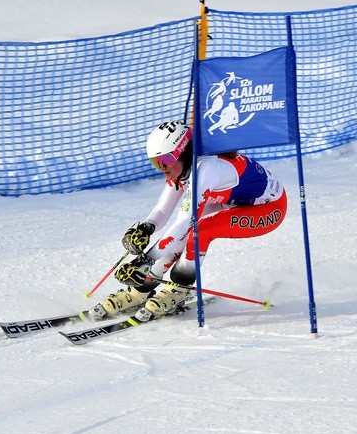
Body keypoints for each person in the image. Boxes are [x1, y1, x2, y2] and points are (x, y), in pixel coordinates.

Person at [91, 120, 287, 322]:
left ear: (183, 153)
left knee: (200, 229)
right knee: (185, 231)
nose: (162, 168)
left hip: (268, 208)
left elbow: (184, 222)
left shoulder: (207, 169)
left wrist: (145, 260)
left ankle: (178, 289)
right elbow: (162, 211)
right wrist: (146, 228)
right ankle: (142, 289)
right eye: (156, 163)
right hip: (231, 201)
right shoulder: (182, 169)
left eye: (165, 161)